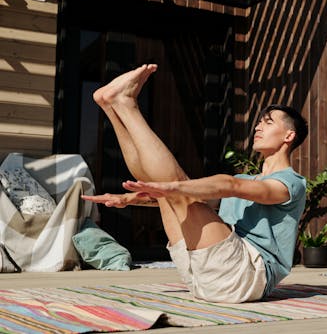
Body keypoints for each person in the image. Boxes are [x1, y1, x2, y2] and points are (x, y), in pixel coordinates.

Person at [82, 64, 308, 303]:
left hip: (245, 276)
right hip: (201, 273)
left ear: (289, 136)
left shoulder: (291, 183)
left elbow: (230, 186)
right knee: (166, 192)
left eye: (268, 122)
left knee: (176, 187)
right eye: (259, 122)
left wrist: (176, 186)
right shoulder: (246, 180)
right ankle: (112, 106)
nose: (258, 127)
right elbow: (203, 196)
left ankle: (126, 105)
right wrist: (129, 199)